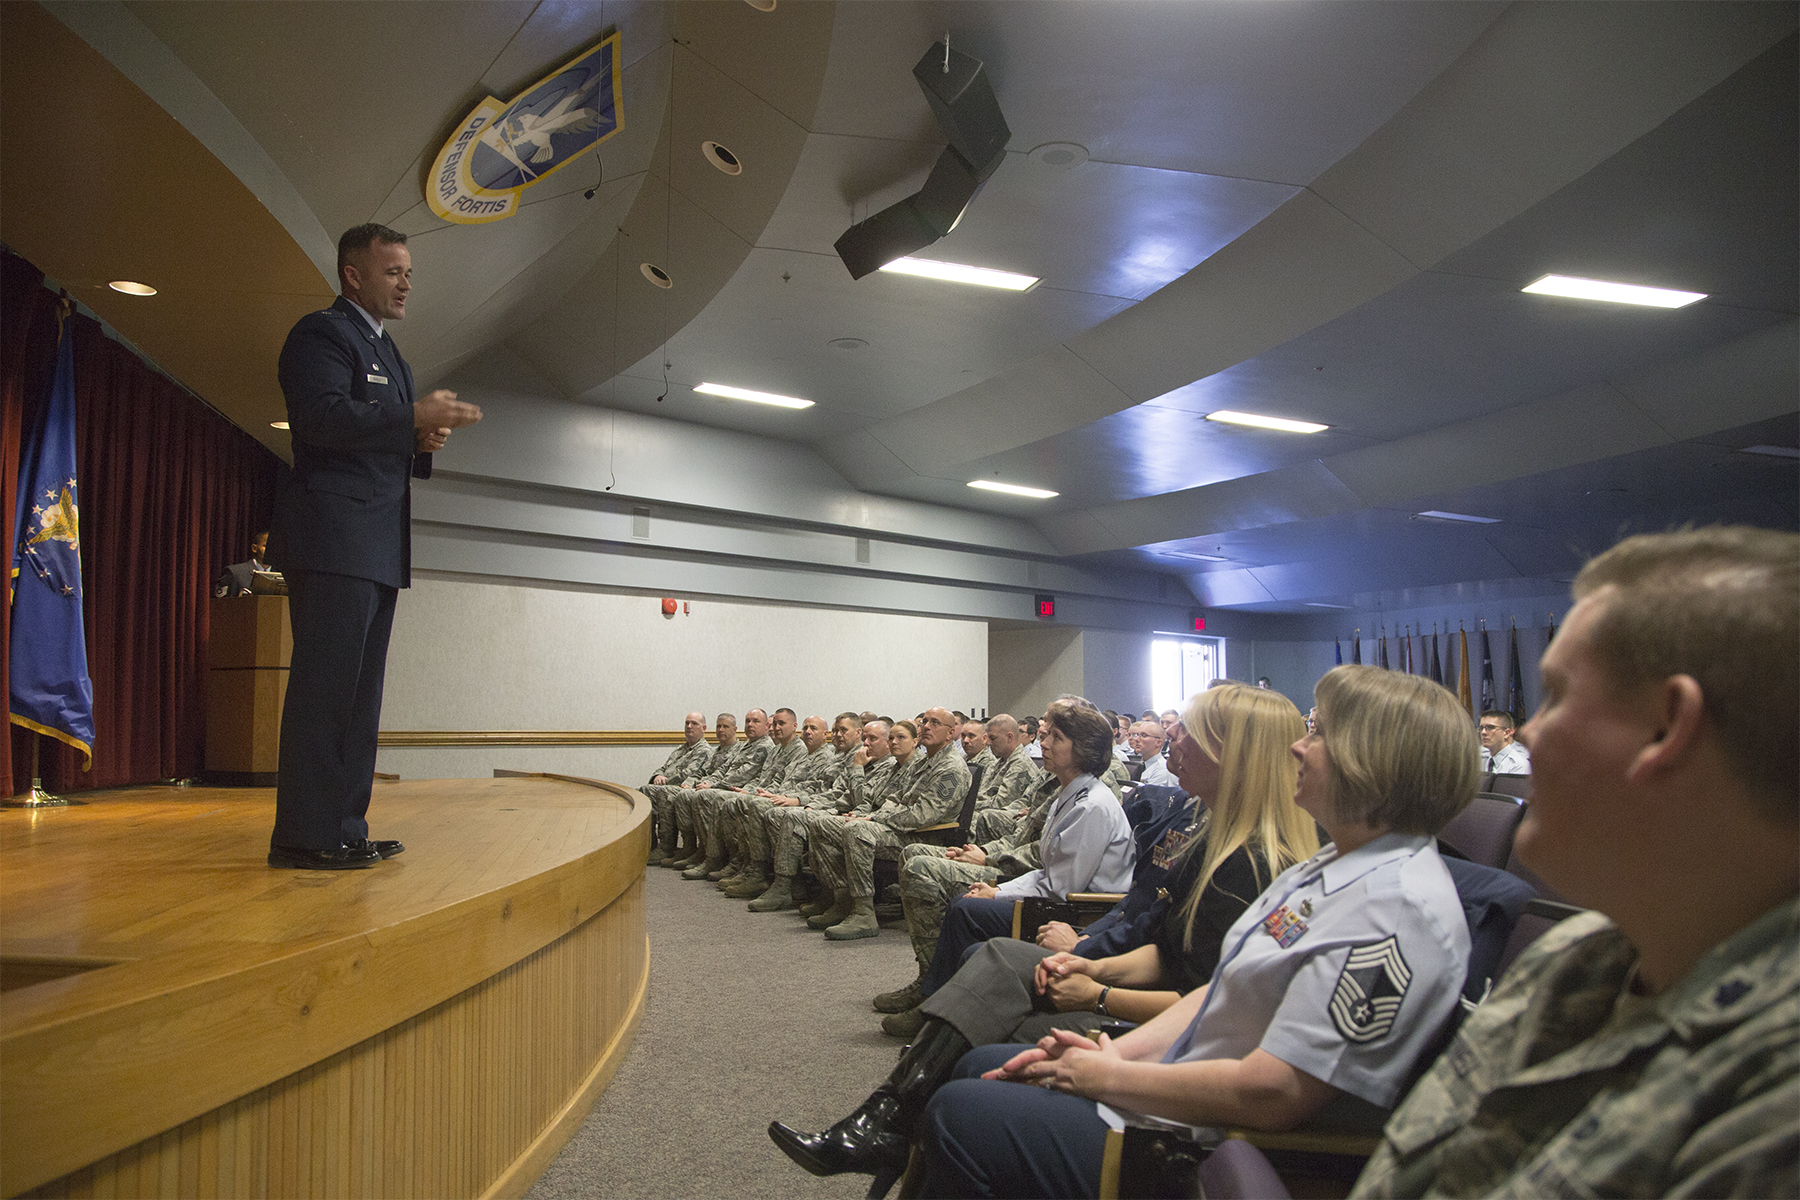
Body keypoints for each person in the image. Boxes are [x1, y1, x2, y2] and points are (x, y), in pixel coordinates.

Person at [901, 664, 1477, 1199]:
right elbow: (1218, 991)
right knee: (980, 1070)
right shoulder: (1331, 870)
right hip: (1184, 1079)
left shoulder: (1393, 909)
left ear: (1374, 762)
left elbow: (1274, 1093)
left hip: (1213, 1142)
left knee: (960, 1110)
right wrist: (1117, 1057)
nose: (1298, 747)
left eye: (1318, 734)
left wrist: (1107, 1076)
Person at [1353, 527, 1799, 1199]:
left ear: (1666, 728)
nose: (1530, 730)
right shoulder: (1579, 959)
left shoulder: (1776, 1086)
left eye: (1558, 694)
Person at [768, 682, 1321, 1194]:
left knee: (974, 1053)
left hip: (1169, 1051)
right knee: (984, 997)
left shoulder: (1251, 868)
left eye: (1185, 733)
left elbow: (1209, 1001)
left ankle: (888, 1123)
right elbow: (1157, 935)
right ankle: (887, 1119)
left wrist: (1096, 990)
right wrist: (1092, 963)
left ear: (1234, 755)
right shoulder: (1207, 833)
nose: (1172, 740)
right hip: (1135, 990)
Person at [266, 223, 482, 870]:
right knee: (325, 693)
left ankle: (345, 827)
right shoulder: (322, 335)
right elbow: (321, 419)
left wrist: (418, 441)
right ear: (353, 275)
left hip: (377, 543)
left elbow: (377, 434)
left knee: (361, 698)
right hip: (334, 539)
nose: (407, 282)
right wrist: (412, 418)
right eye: (393, 271)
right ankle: (304, 836)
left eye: (409, 272)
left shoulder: (391, 354)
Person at [878, 699, 1137, 1037]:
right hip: (1055, 894)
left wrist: (999, 890)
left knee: (966, 908)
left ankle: (937, 1002)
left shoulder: (1091, 807)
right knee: (966, 905)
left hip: (1077, 913)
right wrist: (1000, 889)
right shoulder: (1068, 794)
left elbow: (1059, 888)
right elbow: (1049, 869)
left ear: (1083, 750)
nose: (1043, 742)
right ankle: (941, 999)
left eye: (1056, 737)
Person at [645, 711, 711, 866]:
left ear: (704, 728)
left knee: (663, 793)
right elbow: (662, 767)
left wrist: (664, 780)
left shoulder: (704, 751)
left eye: (694, 723)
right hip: (666, 785)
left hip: (682, 787)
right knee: (643, 791)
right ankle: (649, 844)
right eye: (687, 723)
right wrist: (657, 776)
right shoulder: (680, 750)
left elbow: (689, 774)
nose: (689, 726)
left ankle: (666, 846)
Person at [214, 531, 272, 597]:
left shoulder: (282, 575)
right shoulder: (235, 573)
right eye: (267, 546)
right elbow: (220, 603)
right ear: (254, 548)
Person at [1477, 708, 1530, 774]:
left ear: (1507, 733)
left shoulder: (1518, 765)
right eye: (1481, 728)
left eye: (1490, 727)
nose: (1483, 732)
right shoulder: (1482, 760)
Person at [1128, 719, 1178, 788]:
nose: (1136, 739)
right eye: (1137, 735)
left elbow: (1146, 797)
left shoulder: (1162, 771)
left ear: (1158, 742)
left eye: (1144, 735)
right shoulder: (1142, 765)